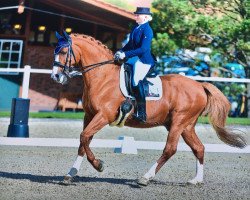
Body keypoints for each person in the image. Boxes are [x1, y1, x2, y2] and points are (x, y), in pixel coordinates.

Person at [114, 7, 156, 123]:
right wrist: (121, 51)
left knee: (136, 81)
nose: (136, 16)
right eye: (136, 14)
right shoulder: (136, 28)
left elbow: (143, 49)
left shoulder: (147, 30)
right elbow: (130, 44)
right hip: (134, 58)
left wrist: (126, 54)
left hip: (144, 60)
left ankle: (142, 113)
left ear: (146, 17)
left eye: (138, 15)